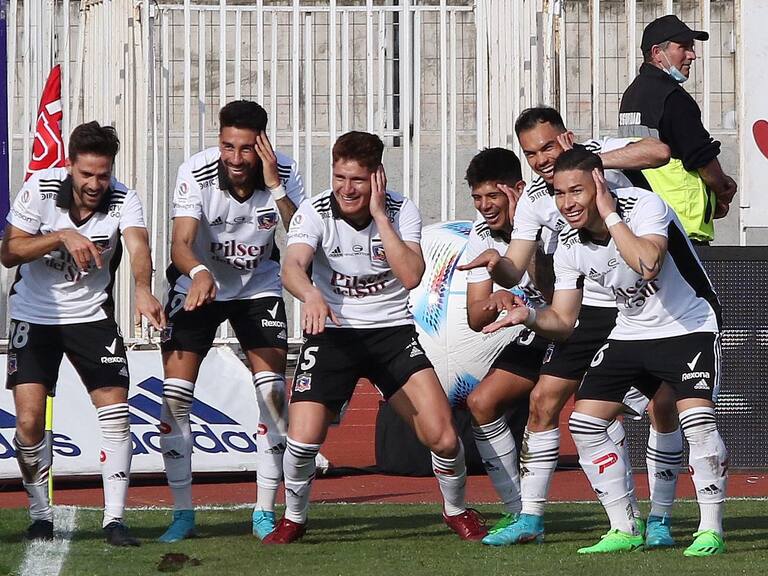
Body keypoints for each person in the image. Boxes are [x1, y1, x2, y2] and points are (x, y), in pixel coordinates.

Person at [483, 146, 727, 557]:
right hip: (630, 331)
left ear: (599, 183)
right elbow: (562, 321)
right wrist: (527, 316)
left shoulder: (644, 205)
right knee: (585, 422)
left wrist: (610, 213)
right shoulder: (568, 241)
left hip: (688, 325)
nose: (566, 203)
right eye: (559, 193)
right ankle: (624, 526)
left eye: (576, 191)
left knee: (696, 420)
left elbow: (648, 262)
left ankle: (710, 529)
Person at [462, 107, 682, 548]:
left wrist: (589, 161)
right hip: (589, 306)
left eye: (547, 146)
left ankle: (659, 518)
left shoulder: (597, 157)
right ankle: (531, 518)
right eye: (531, 153)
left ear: (566, 137)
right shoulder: (534, 202)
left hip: (648, 300)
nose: (541, 159)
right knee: (544, 400)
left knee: (662, 408)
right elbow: (514, 266)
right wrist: (495, 267)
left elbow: (660, 151)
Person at [265, 131, 486, 544]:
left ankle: (456, 510)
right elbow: (292, 266)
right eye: (339, 178)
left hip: (391, 335)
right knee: (302, 438)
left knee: (443, 435)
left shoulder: (401, 210)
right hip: (333, 336)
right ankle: (294, 517)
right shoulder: (313, 211)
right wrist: (311, 294)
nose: (347, 189)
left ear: (377, 177)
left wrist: (382, 217)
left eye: (358, 180)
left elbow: (411, 275)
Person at [2, 121, 165, 545]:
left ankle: (114, 520)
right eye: (86, 174)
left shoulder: (124, 198)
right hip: (34, 314)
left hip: (92, 316)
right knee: (29, 419)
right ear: (70, 166)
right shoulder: (40, 188)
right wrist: (59, 236)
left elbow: (139, 246)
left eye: (103, 174)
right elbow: (9, 251)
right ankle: (40, 515)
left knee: (116, 413)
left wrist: (144, 290)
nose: (95, 184)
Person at [157, 100, 304, 542]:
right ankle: (183, 513)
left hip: (258, 287)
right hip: (200, 284)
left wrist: (277, 187)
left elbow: (300, 237)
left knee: (275, 398)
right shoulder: (196, 171)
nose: (236, 159)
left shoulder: (285, 170)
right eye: (228, 146)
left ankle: (263, 510)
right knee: (174, 402)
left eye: (245, 149)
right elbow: (180, 243)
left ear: (261, 145)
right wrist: (199, 272)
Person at [462, 147, 552, 535]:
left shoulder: (549, 217)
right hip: (539, 330)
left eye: (493, 196)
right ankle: (518, 511)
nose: (484, 206)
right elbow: (474, 317)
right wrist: (496, 299)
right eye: (478, 198)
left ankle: (639, 515)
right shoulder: (478, 235)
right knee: (480, 402)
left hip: (582, 327)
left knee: (615, 410)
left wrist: (523, 236)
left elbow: (552, 292)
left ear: (517, 189)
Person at [619, 14, 737, 244]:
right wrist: (723, 189)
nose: (692, 55)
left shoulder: (631, 95)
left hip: (642, 223)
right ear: (657, 53)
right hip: (680, 228)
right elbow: (701, 157)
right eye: (683, 47)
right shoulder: (672, 97)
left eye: (691, 47)